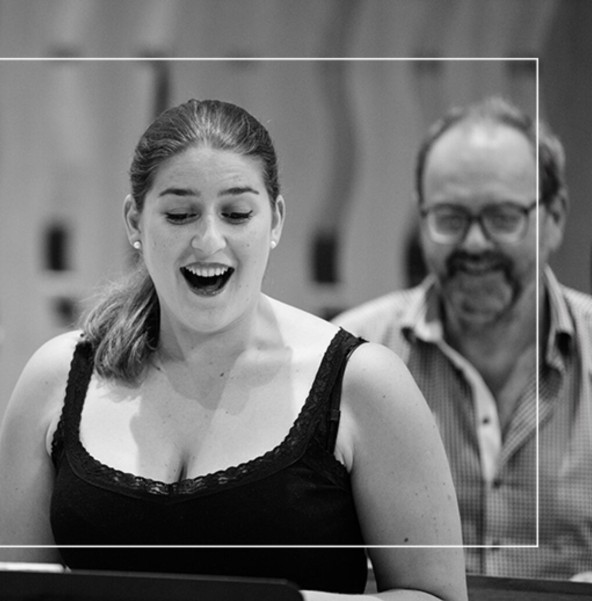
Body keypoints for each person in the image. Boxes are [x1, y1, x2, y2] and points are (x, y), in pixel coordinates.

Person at [0, 99, 467, 600]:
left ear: (276, 220)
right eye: (180, 214)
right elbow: (16, 589)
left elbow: (437, 596)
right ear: (135, 222)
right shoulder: (57, 376)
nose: (208, 240)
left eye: (237, 214)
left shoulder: (363, 382)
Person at [334, 96, 592, 581]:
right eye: (450, 218)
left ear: (554, 217)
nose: (474, 243)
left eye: (503, 217)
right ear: (422, 219)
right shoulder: (348, 358)